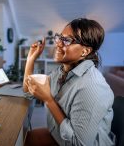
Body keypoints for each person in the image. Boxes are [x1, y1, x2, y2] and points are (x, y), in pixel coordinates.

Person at [24, 18, 115, 146]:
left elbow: (78, 143)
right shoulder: (62, 71)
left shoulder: (92, 87)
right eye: (60, 37)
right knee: (23, 139)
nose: (58, 43)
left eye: (66, 40)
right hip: (58, 138)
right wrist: (30, 59)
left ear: (85, 51)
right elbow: (28, 91)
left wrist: (49, 100)